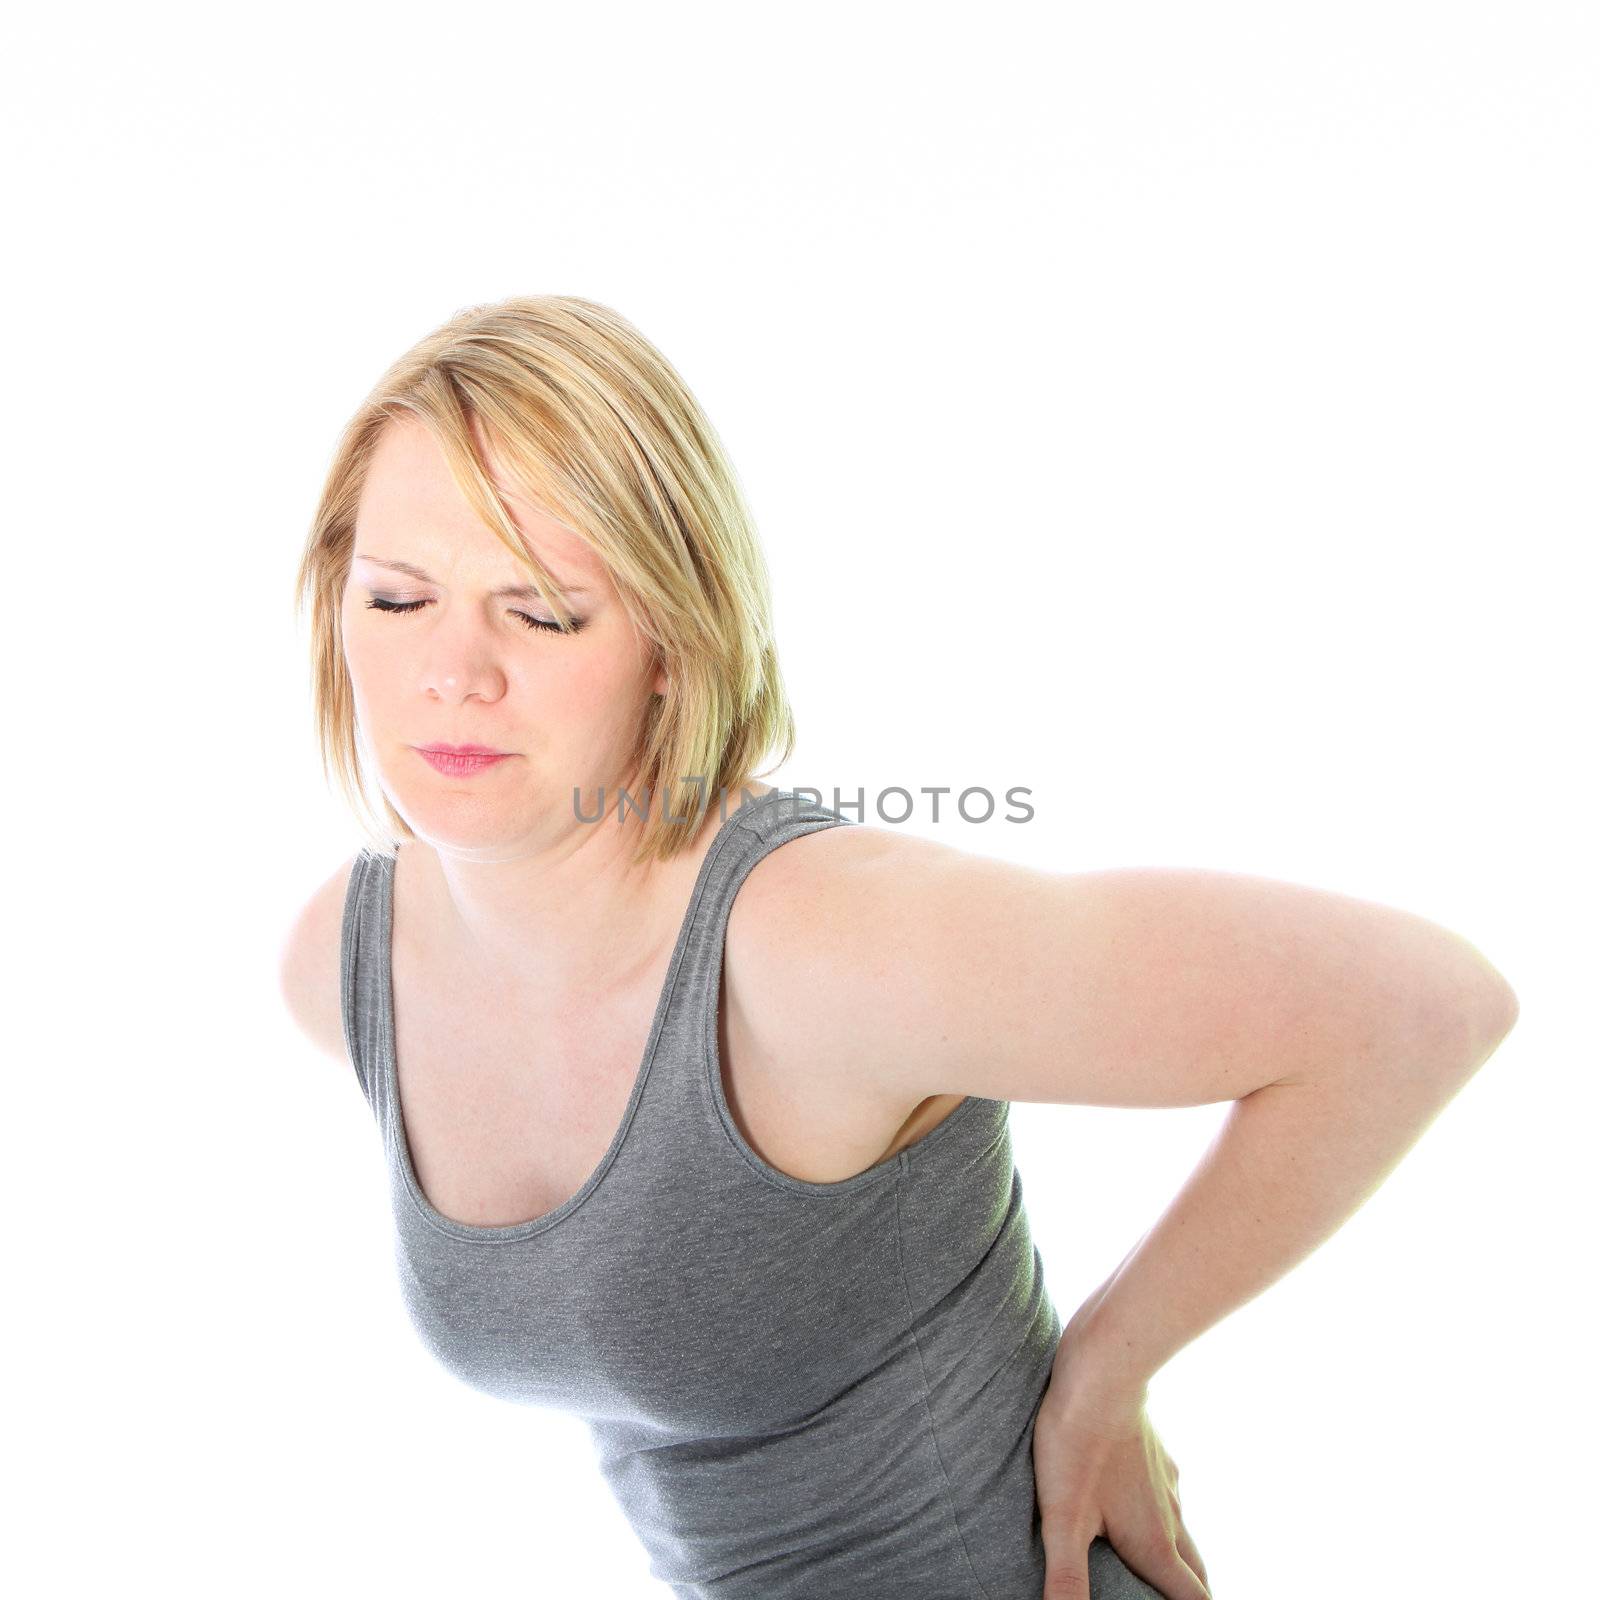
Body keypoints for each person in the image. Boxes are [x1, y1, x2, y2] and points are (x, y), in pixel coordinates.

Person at [278, 295, 1519, 1600]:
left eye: (542, 614)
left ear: (668, 642)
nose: (453, 673)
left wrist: (1106, 1369)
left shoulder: (817, 947)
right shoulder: (343, 972)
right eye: (400, 597)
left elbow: (1421, 1008)